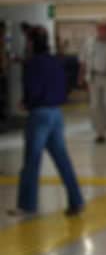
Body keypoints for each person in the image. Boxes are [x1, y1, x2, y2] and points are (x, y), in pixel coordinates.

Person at [14, 26, 84, 217]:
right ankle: (76, 200)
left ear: (32, 43)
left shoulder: (32, 64)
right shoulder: (56, 61)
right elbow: (65, 85)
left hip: (39, 115)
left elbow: (33, 90)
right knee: (62, 160)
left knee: (32, 161)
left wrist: (26, 102)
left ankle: (27, 206)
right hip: (56, 114)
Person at [80, 22, 106, 143]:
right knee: (95, 105)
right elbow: (83, 61)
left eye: (105, 29)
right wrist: (81, 77)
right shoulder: (89, 43)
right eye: (101, 29)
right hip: (94, 77)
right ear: (97, 30)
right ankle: (100, 132)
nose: (103, 32)